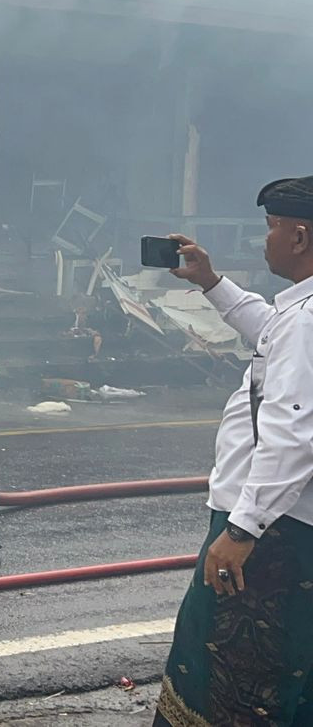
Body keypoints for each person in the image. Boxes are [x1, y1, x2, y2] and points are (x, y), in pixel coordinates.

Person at [154, 176, 313, 727]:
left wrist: (242, 529)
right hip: (283, 520)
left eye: (270, 228)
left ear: (299, 237)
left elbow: (293, 431)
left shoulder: (307, 321)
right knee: (290, 667)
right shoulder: (300, 314)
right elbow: (271, 328)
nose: (263, 240)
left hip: (275, 528)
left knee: (233, 674)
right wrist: (211, 282)